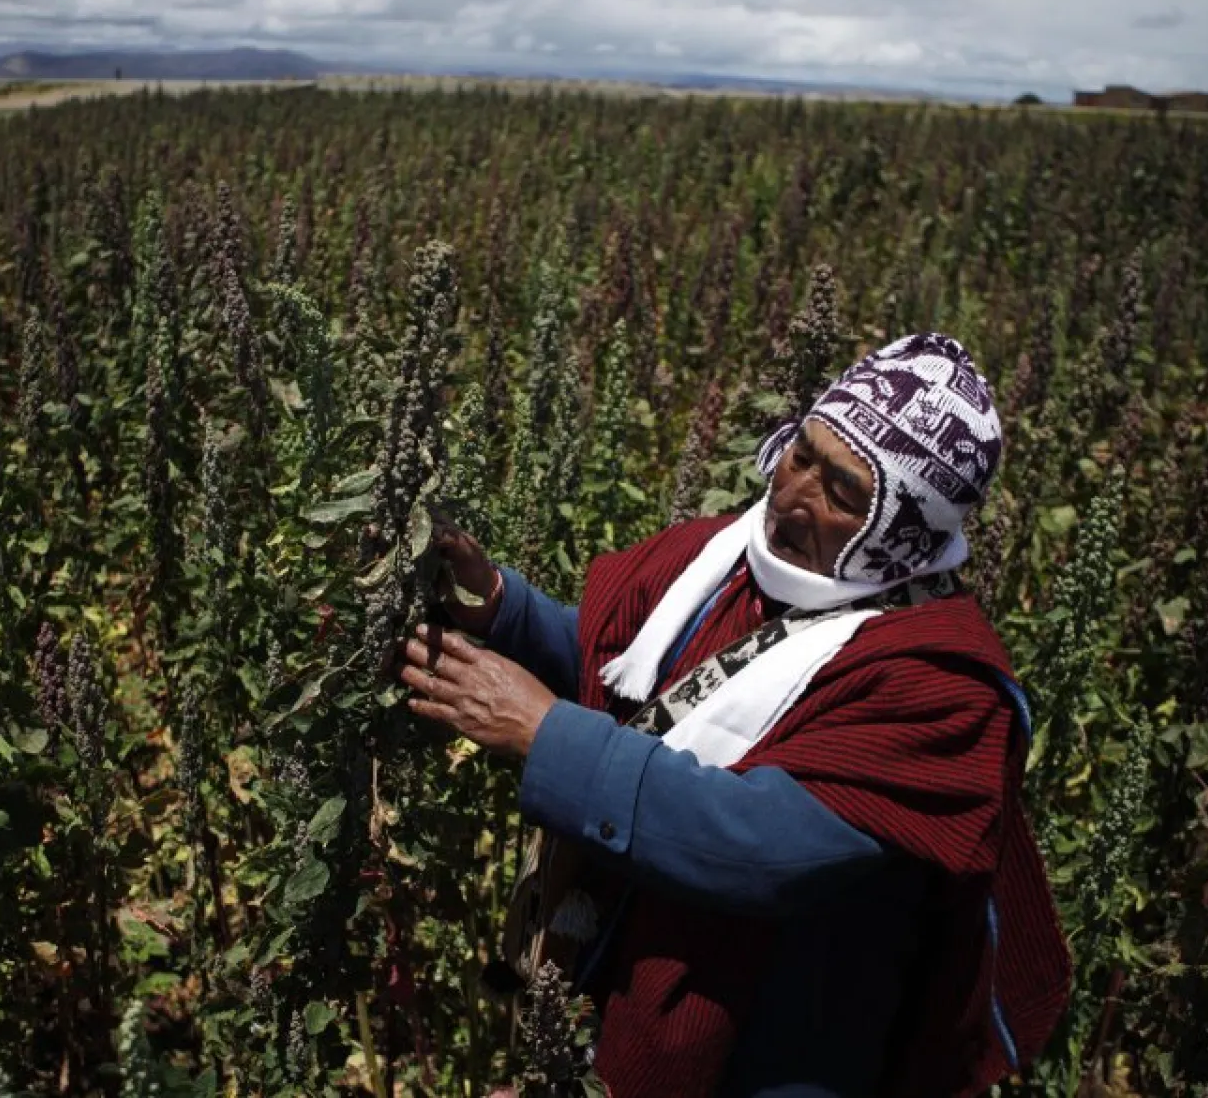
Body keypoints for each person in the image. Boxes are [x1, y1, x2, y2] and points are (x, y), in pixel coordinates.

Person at [395, 333, 1071, 1098]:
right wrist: (501, 608)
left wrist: (547, 732)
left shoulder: (942, 684)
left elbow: (755, 842)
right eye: (803, 453)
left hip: (771, 1058)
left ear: (905, 527)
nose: (793, 493)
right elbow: (633, 676)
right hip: (626, 993)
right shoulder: (732, 559)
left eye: (843, 490)